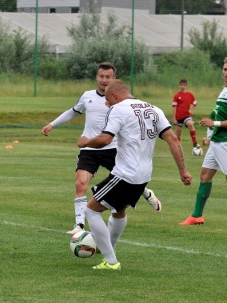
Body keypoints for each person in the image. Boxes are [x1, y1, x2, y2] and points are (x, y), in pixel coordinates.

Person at [78, 80, 192, 270]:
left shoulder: (118, 109)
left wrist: (86, 142)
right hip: (143, 175)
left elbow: (106, 139)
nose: (106, 104)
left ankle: (111, 260)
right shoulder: (154, 109)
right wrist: (183, 171)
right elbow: (172, 139)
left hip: (125, 174)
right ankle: (110, 252)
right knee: (118, 210)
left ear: (114, 95)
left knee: (91, 210)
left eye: (107, 100)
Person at [42, 62, 162, 235]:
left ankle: (146, 192)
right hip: (90, 149)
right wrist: (52, 124)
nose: (104, 80)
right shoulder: (87, 96)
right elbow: (73, 111)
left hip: (113, 148)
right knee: (80, 183)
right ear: (96, 77)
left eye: (108, 77)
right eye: (101, 76)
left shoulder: (122, 101)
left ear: (114, 79)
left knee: (127, 179)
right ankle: (79, 226)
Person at [180, 58, 227, 226]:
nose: (226, 72)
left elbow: (217, 119)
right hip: (216, 142)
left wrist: (213, 124)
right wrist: (209, 135)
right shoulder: (224, 90)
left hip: (225, 143)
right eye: (225, 68)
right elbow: (218, 114)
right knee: (205, 176)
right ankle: (197, 216)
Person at [172, 78, 199, 152]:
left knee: (190, 124)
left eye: (184, 85)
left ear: (186, 86)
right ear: (179, 86)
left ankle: (195, 143)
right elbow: (174, 107)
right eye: (181, 85)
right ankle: (178, 148)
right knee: (178, 134)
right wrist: (174, 118)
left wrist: (192, 111)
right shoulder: (176, 96)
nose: (183, 86)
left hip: (186, 116)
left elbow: (195, 104)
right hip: (178, 117)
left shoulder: (190, 95)